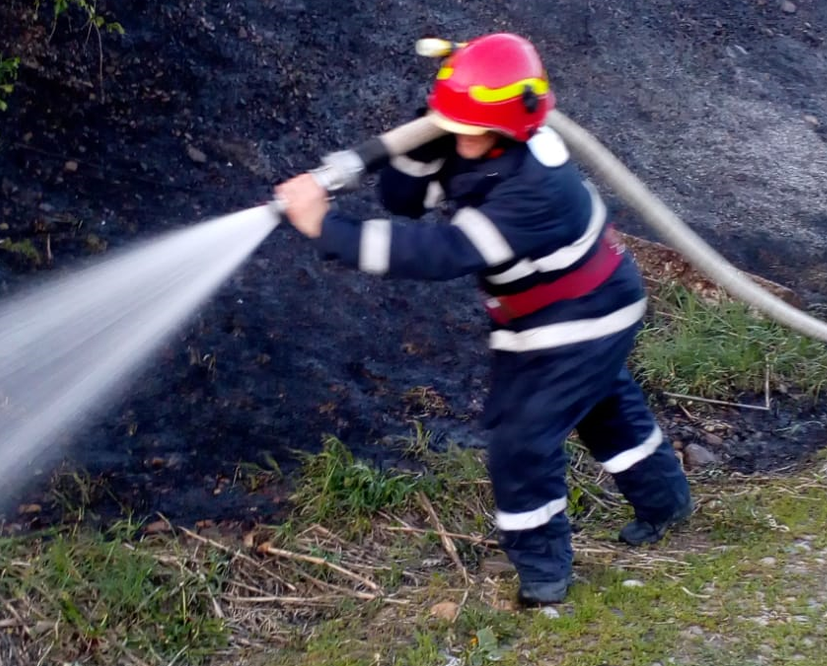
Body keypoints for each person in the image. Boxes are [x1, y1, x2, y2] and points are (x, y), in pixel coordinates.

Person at [274, 32, 692, 605]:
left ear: (507, 128)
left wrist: (327, 228)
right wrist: (423, 139)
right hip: (575, 302)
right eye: (452, 126)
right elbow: (404, 200)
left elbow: (438, 253)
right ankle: (665, 502)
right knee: (600, 405)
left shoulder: (533, 188)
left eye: (467, 129)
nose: (458, 139)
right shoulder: (482, 139)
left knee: (522, 439)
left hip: (580, 315)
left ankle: (544, 574)